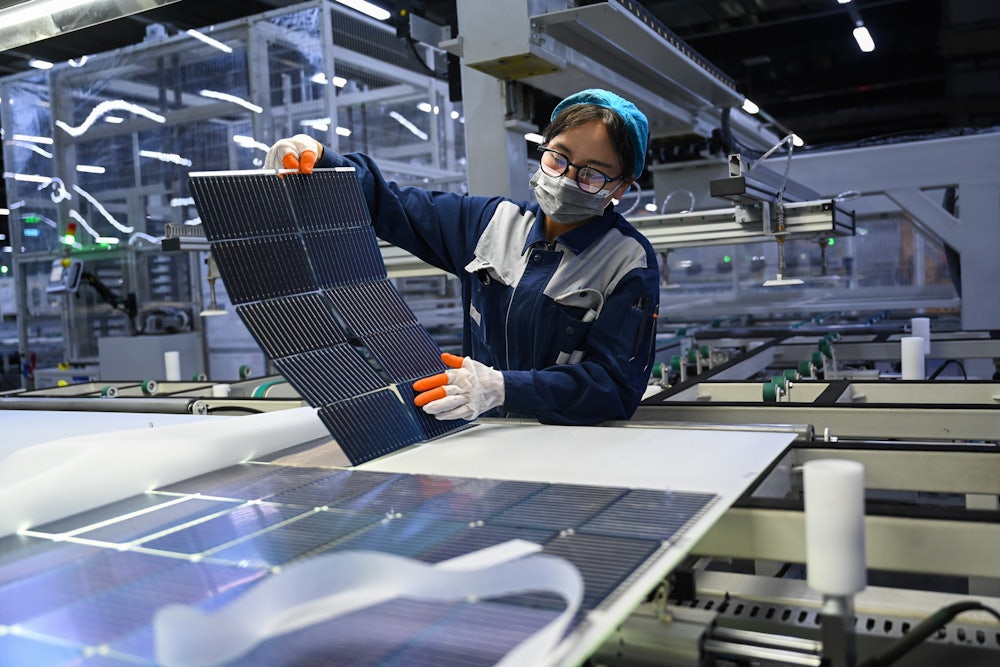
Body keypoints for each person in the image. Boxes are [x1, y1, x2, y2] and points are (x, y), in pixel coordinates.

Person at [264, 88, 660, 426]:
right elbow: (391, 205)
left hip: (570, 448)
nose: (567, 179)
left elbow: (615, 388)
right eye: (558, 158)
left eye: (592, 174)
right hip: (480, 437)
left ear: (621, 187)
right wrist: (323, 161)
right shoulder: (490, 223)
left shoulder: (628, 261)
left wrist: (503, 389)